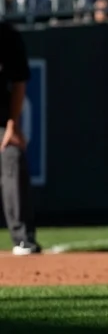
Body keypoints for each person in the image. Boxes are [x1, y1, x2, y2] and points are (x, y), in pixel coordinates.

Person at [0, 22, 38, 255]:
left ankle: (23, 238)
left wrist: (13, 124)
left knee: (13, 155)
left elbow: (19, 83)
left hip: (1, 123)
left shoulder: (7, 36)